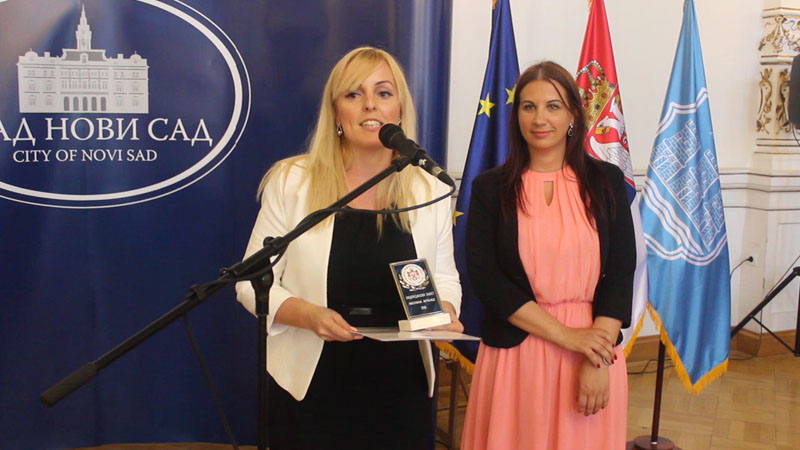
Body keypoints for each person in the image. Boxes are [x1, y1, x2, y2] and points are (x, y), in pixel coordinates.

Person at [235, 46, 462, 450]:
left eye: (384, 93)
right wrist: (309, 316)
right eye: (354, 94)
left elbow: (444, 277)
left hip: (401, 383)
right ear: (336, 112)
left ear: (399, 111)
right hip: (312, 378)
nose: (370, 104)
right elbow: (251, 283)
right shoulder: (292, 181)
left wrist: (444, 310)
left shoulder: (430, 188)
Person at [460, 61, 635, 449]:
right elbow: (486, 279)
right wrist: (568, 337)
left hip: (594, 349)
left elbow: (622, 271)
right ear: (517, 116)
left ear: (573, 114)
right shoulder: (490, 188)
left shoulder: (607, 182)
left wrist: (596, 356)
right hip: (516, 353)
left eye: (553, 106)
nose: (540, 118)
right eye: (529, 106)